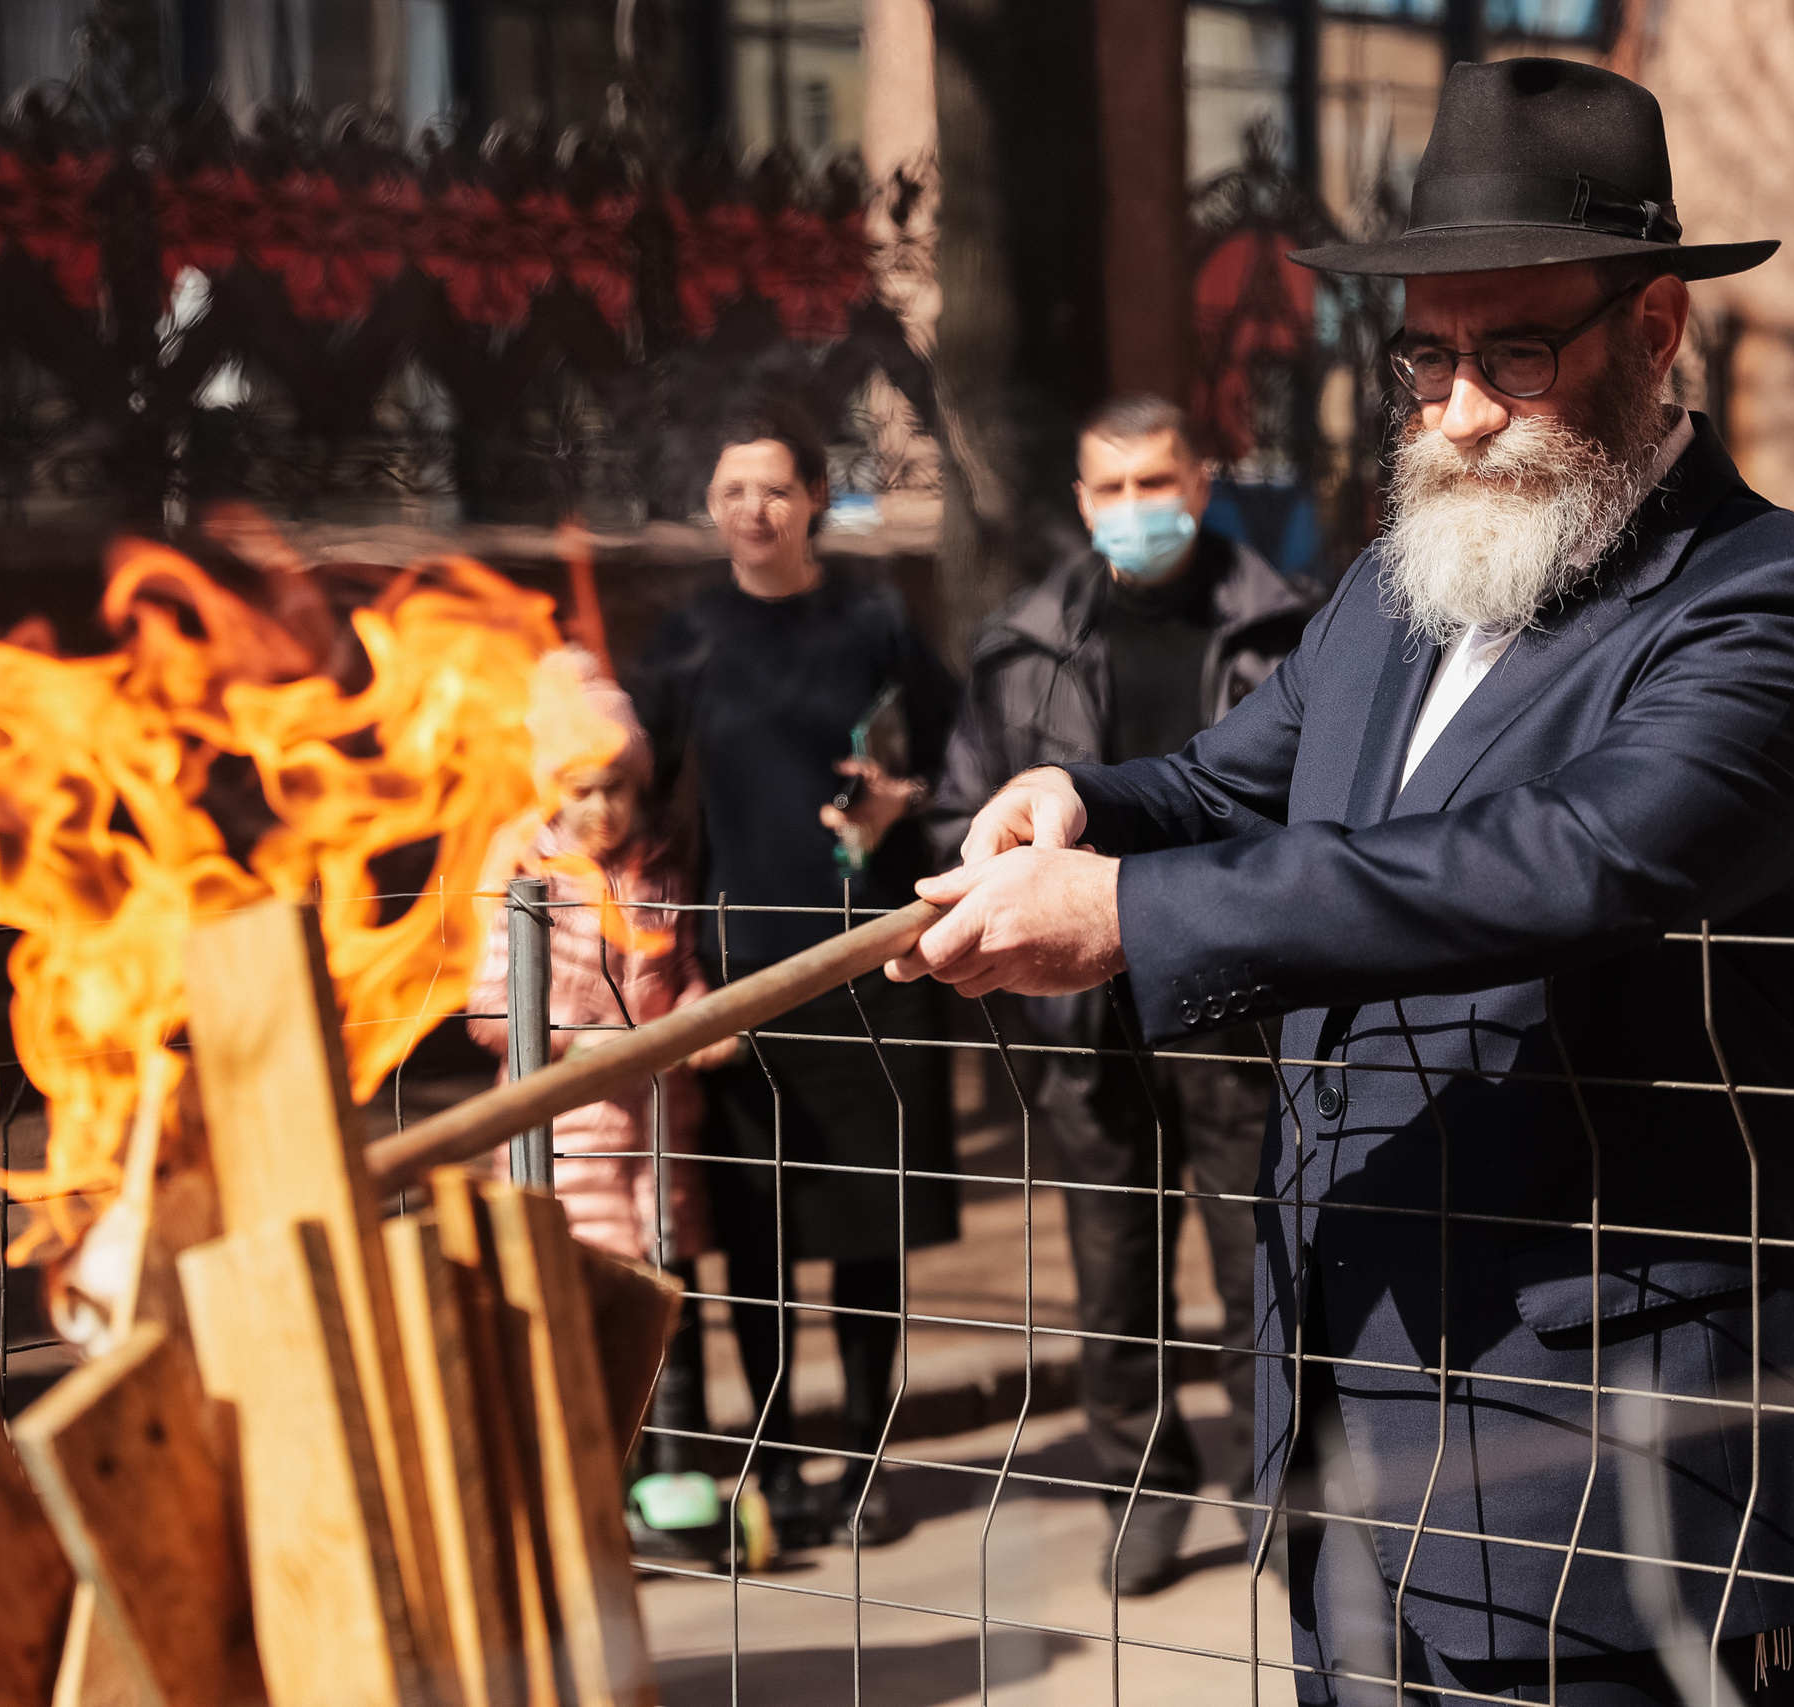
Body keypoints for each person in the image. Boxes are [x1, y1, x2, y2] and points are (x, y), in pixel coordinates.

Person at [893, 59, 1794, 1706]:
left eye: (1517, 354)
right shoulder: (1393, 585)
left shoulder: (1776, 599)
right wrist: (1080, 800)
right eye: (1427, 355)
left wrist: (1134, 916)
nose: (1460, 411)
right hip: (1356, 1421)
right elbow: (1232, 778)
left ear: (1655, 330)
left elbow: (1582, 855)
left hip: (1624, 1464)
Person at [926, 393, 1310, 1594]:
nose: (1136, 507)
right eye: (1112, 488)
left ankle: (1274, 1489)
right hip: (1083, 1022)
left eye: (1156, 483)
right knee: (1112, 1268)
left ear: (1200, 484)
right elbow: (964, 810)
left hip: (1236, 996)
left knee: (1260, 1260)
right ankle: (1141, 1489)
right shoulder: (1020, 644)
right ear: (1082, 503)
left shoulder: (1289, 633)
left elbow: (1320, 814)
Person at [632, 398, 962, 1550]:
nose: (754, 509)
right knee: (756, 1236)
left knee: (868, 1230)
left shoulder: (871, 620)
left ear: (815, 497)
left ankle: (864, 1464)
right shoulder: (687, 640)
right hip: (739, 979)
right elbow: (629, 784)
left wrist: (899, 804)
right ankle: (770, 1464)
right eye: (733, 490)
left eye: (775, 487)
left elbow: (955, 748)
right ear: (709, 505)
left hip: (868, 964)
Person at [465, 646, 738, 1560]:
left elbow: (681, 966)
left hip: (658, 1132)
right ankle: (592, 1489)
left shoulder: (660, 863)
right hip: (570, 1137)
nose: (602, 808)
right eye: (581, 789)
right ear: (554, 790)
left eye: (617, 786)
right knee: (583, 1319)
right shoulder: (528, 872)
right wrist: (580, 1042)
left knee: (670, 1308)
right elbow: (492, 1007)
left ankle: (679, 1479)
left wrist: (701, 1017)